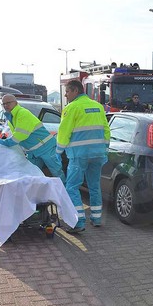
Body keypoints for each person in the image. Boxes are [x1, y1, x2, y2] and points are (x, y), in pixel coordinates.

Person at [57, 80, 110, 233]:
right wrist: (104, 149)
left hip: (79, 155)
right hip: (98, 154)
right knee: (94, 186)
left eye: (67, 92)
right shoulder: (98, 106)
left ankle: (78, 221)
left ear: (74, 91)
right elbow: (106, 130)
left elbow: (64, 132)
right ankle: (97, 218)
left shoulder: (71, 108)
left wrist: (58, 151)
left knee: (72, 187)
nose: (66, 95)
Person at [0, 94, 66, 183]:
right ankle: (37, 193)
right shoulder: (11, 117)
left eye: (8, 103)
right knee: (32, 174)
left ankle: (64, 193)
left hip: (46, 148)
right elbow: (16, 135)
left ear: (15, 103)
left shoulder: (22, 113)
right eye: (3, 104)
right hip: (33, 151)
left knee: (56, 172)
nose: (5, 105)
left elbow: (20, 135)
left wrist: (7, 143)